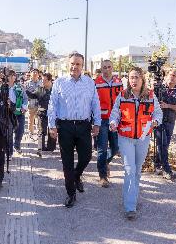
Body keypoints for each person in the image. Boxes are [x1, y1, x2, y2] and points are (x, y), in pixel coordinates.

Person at [48, 52, 101, 208]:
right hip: (65, 127)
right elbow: (53, 105)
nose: (74, 66)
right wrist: (52, 125)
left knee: (86, 156)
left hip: (84, 126)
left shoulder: (89, 83)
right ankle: (71, 193)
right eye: (72, 63)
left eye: (78, 64)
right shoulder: (59, 82)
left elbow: (95, 104)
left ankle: (76, 176)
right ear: (67, 64)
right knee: (67, 162)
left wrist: (97, 123)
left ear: (82, 66)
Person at [109, 67, 162, 220]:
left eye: (136, 77)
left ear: (142, 79)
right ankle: (130, 206)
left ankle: (132, 197)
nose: (133, 80)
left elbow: (158, 112)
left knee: (137, 171)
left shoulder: (151, 96)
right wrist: (113, 122)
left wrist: (155, 121)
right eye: (131, 77)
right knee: (129, 169)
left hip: (143, 138)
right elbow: (115, 114)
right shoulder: (122, 95)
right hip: (125, 138)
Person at [94, 60, 123, 187]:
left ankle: (105, 163)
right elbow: (93, 102)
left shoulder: (119, 82)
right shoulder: (96, 83)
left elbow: (123, 99)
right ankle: (103, 176)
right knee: (102, 148)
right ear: (101, 69)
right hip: (102, 119)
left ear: (113, 68)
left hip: (115, 119)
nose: (107, 69)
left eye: (109, 67)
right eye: (104, 67)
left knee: (116, 147)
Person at [154, 69, 176, 181]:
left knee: (164, 145)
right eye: (170, 75)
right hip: (158, 121)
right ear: (166, 76)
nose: (172, 77)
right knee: (162, 143)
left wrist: (167, 105)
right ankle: (166, 169)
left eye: (174, 76)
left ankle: (157, 164)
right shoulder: (159, 89)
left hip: (170, 121)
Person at [26, 72, 56, 157]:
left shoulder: (55, 89)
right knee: (41, 131)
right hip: (41, 112)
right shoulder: (40, 89)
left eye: (44, 80)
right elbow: (32, 95)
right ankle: (41, 148)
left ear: (50, 80)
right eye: (42, 80)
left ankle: (51, 148)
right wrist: (26, 90)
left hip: (52, 114)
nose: (42, 82)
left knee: (52, 130)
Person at [8, 70, 28, 155]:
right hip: (8, 113)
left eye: (14, 75)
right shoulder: (4, 87)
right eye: (10, 75)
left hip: (19, 113)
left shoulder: (19, 86)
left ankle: (17, 145)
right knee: (9, 132)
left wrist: (24, 107)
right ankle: (9, 152)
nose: (12, 77)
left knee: (20, 131)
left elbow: (25, 98)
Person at [25, 69, 41, 137]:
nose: (34, 73)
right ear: (30, 74)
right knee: (30, 120)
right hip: (31, 104)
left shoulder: (41, 83)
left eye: (36, 72)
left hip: (39, 104)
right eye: (33, 72)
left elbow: (42, 93)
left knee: (39, 120)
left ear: (38, 74)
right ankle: (30, 132)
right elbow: (25, 94)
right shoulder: (27, 83)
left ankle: (39, 132)